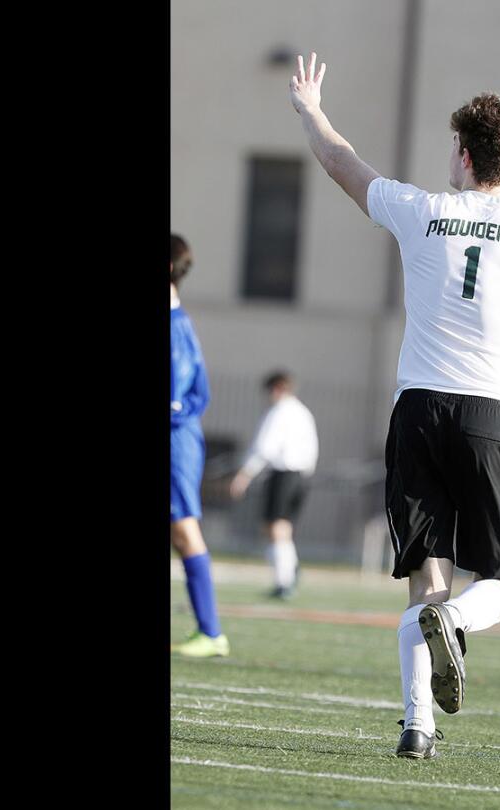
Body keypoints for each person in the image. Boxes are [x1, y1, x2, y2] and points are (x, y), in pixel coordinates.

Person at [286, 53, 500, 759]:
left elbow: (342, 163)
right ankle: (457, 621)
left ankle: (417, 726)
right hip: (493, 415)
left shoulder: (422, 210)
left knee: (424, 576)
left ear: (462, 154)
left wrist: (310, 109)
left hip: (419, 411)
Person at [169, 234, 229, 658]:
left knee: (185, 530)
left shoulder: (174, 328)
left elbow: (184, 397)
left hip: (175, 444)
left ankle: (210, 632)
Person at [229, 371, 320, 599]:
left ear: (277, 388)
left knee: (275, 527)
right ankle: (290, 569)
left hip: (284, 474)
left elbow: (265, 447)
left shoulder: (280, 412)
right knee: (282, 528)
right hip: (301, 475)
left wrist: (244, 475)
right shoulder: (303, 412)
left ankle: (284, 580)